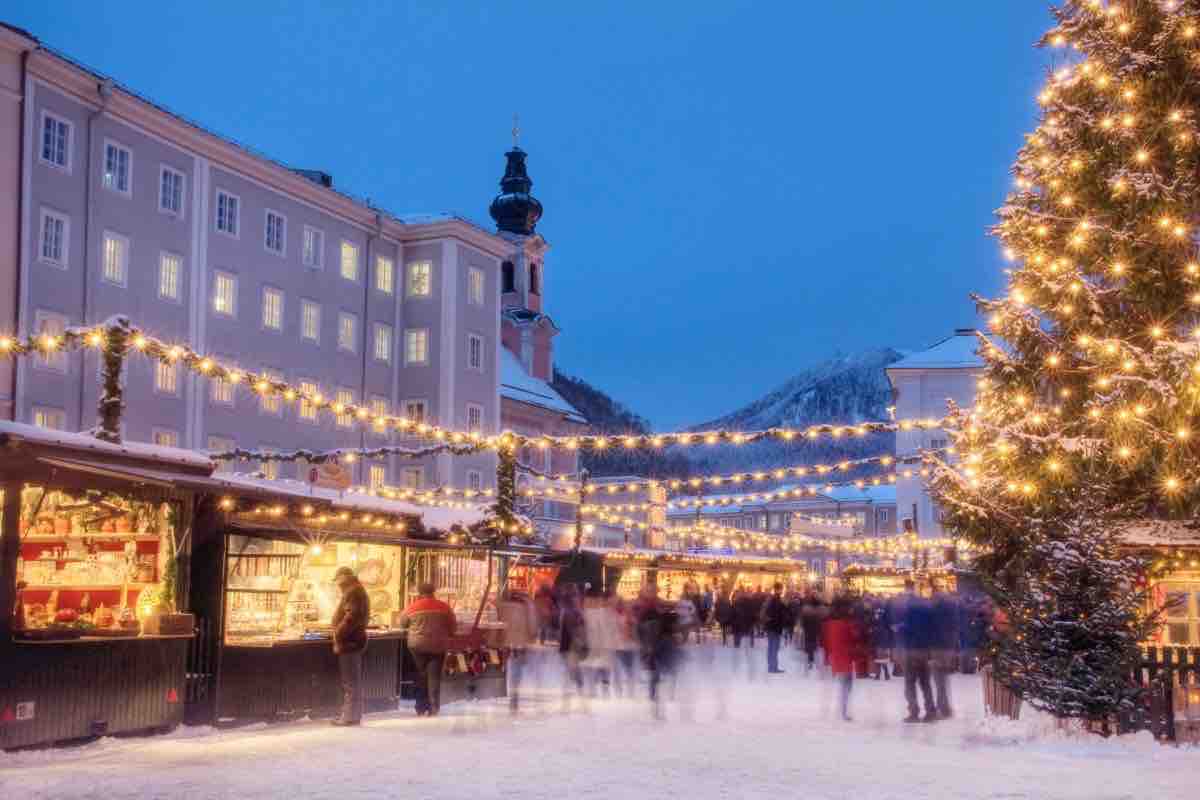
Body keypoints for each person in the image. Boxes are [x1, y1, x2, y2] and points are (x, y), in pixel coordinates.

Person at [399, 582, 457, 717]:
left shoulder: (412, 607)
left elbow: (402, 623)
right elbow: (453, 627)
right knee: (434, 676)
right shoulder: (444, 607)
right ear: (434, 592)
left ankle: (420, 707)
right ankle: (433, 707)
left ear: (420, 593)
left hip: (417, 646)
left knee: (421, 675)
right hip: (438, 645)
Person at [331, 566, 370, 726]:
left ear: (344, 577)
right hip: (353, 640)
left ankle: (349, 717)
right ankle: (352, 716)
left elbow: (351, 617)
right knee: (352, 681)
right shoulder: (356, 590)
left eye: (338, 579)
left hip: (349, 641)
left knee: (351, 682)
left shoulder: (354, 592)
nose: (337, 583)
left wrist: (338, 634)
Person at [897, 581, 937, 723]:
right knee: (925, 682)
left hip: (912, 649)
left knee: (910, 683)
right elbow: (932, 628)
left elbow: (908, 628)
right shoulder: (926, 607)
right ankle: (931, 711)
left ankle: (914, 712)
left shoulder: (909, 608)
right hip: (924, 649)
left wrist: (900, 628)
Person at [822, 596, 862, 721]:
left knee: (842, 683)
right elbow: (854, 636)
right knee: (846, 685)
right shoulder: (846, 623)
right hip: (845, 656)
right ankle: (843, 711)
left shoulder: (829, 622)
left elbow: (826, 641)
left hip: (835, 655)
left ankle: (838, 710)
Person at [498, 588, 537, 714]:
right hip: (521, 644)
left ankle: (513, 700)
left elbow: (499, 623)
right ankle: (515, 700)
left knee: (513, 671)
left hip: (508, 644)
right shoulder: (527, 607)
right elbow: (532, 625)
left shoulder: (504, 606)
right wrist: (532, 635)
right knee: (517, 672)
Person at [930, 587, 960, 718]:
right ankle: (945, 708)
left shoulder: (936, 612)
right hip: (947, 648)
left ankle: (942, 709)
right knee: (942, 679)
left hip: (938, 648)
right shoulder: (952, 610)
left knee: (939, 680)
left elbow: (932, 631)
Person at [760, 582, 789, 674]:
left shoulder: (772, 599)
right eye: (781, 589)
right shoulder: (776, 600)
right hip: (775, 627)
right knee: (774, 648)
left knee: (771, 647)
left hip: (771, 627)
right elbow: (778, 614)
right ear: (778, 589)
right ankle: (773, 667)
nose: (782, 591)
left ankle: (771, 666)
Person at [800, 594, 825, 671]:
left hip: (808, 629)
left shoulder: (805, 609)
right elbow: (821, 619)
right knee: (814, 643)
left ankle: (809, 659)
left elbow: (803, 620)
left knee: (808, 643)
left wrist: (803, 626)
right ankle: (813, 659)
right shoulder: (819, 610)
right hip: (815, 629)